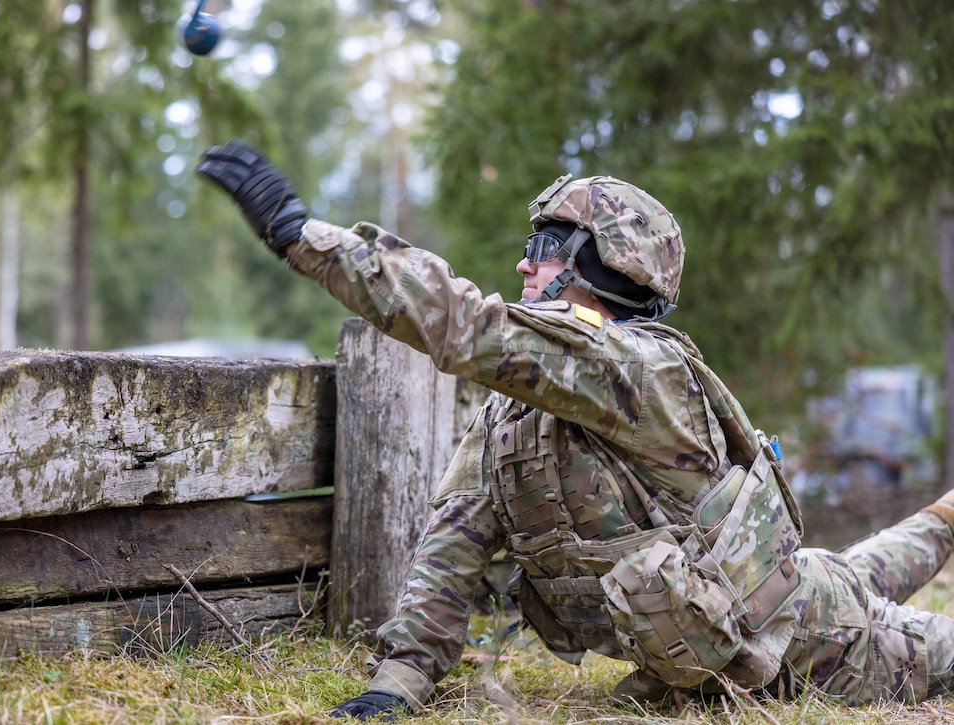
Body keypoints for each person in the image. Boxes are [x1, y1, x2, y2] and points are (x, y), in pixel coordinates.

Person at [196, 140, 954, 720]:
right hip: (753, 622)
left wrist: (306, 237)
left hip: (823, 640)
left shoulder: (642, 373)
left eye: (543, 251)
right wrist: (398, 682)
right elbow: (454, 542)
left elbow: (470, 328)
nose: (524, 268)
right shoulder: (514, 417)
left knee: (870, 596)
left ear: (600, 263)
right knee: (875, 559)